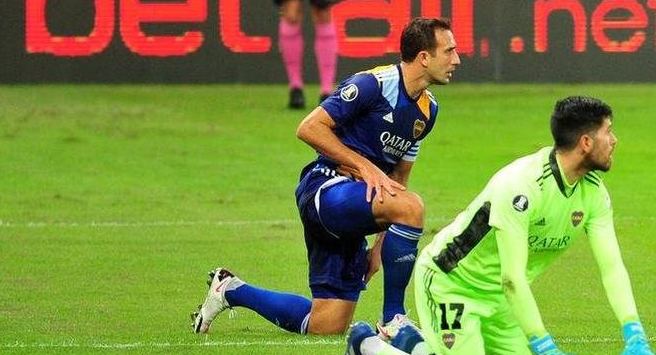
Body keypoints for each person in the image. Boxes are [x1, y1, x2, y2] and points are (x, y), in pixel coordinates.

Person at [334, 96, 656, 355]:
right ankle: (370, 347)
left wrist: (634, 332)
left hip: (500, 297)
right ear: (586, 142)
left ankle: (414, 348)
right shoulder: (521, 186)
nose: (614, 140)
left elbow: (612, 267)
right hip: (452, 284)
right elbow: (512, 277)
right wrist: (545, 348)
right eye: (608, 132)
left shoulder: (593, 193)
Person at [192, 17, 459, 337]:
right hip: (326, 188)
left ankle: (230, 289)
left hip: (359, 205)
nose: (456, 59)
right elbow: (309, 127)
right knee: (413, 206)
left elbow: (397, 180)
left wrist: (380, 247)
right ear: (424, 57)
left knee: (326, 325)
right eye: (449, 51)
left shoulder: (428, 112)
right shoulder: (371, 85)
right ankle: (393, 317)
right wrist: (364, 166)